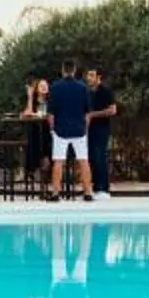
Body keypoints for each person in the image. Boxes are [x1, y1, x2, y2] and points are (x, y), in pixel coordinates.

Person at [44, 59, 93, 199]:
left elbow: (51, 114)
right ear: (74, 70)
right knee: (83, 160)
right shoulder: (82, 87)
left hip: (61, 130)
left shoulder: (55, 87)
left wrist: (53, 129)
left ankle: (55, 193)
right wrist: (85, 128)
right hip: (79, 129)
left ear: (63, 70)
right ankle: (88, 192)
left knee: (58, 161)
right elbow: (87, 113)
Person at [85, 66, 117, 198]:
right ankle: (93, 186)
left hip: (101, 128)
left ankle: (103, 188)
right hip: (88, 129)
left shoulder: (106, 91)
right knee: (91, 157)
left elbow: (112, 110)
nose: (89, 78)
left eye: (92, 75)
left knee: (100, 156)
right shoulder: (86, 92)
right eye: (88, 75)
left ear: (99, 78)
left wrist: (93, 115)